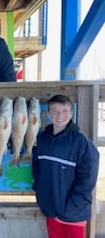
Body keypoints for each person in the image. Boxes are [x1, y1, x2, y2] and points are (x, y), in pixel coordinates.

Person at [32, 95, 99, 238]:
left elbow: (88, 178)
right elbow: (37, 169)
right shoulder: (42, 139)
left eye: (65, 111)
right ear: (48, 114)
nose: (60, 115)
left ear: (71, 113)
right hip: (50, 209)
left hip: (74, 213)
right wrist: (41, 194)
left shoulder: (80, 142)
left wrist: (73, 204)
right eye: (55, 111)